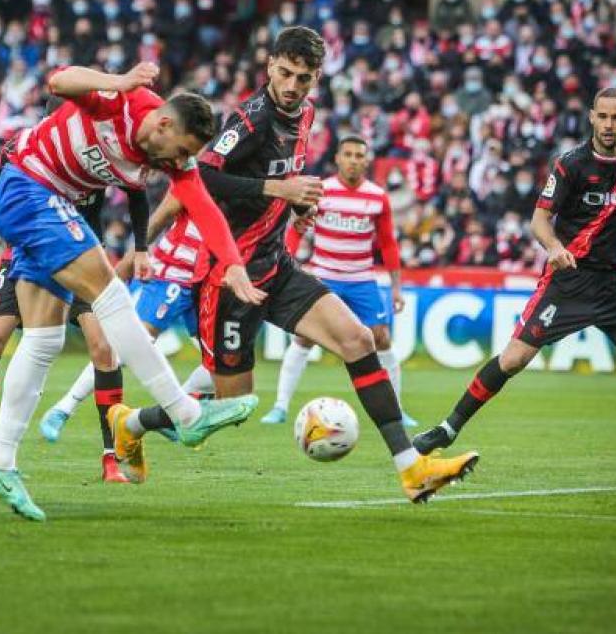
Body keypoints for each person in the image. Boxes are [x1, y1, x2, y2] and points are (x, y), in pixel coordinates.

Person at [117, 27, 479, 504]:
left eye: (303, 78)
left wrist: (296, 207)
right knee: (231, 407)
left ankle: (412, 468)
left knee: (358, 339)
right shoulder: (250, 120)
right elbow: (198, 176)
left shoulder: (305, 114)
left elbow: (278, 177)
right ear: (269, 66)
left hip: (276, 265)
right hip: (228, 279)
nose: (292, 86)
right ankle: (132, 422)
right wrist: (279, 192)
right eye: (284, 74)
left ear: (316, 78)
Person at [0, 61, 265, 521]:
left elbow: (205, 209)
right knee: (112, 294)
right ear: (163, 123)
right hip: (27, 188)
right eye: (180, 150)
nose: (178, 163)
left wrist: (234, 266)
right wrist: (119, 81)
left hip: (49, 201)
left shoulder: (173, 157)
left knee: (43, 338)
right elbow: (58, 80)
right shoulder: (120, 100)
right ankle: (185, 415)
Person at [413, 87, 616, 473]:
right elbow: (539, 220)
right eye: (604, 116)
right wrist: (554, 247)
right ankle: (448, 428)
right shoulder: (571, 164)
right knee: (513, 359)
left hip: (612, 285)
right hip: (567, 281)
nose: (610, 125)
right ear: (592, 117)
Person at [0, 138, 149, 484]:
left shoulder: (99, 149)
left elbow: (136, 190)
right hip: (27, 253)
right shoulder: (21, 147)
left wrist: (142, 247)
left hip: (84, 255)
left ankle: (110, 458)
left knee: (104, 348)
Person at [34, 190, 225, 446]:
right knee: (127, 346)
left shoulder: (258, 178)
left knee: (223, 362)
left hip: (206, 280)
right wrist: (132, 256)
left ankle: (173, 414)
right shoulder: (209, 174)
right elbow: (163, 212)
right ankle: (63, 408)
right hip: (173, 273)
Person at [262, 135, 415, 427]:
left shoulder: (377, 196)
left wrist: (396, 287)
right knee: (304, 336)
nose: (354, 160)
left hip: (361, 279)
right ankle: (280, 406)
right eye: (349, 154)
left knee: (380, 338)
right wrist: (286, 266)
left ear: (367, 161)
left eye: (360, 155)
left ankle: (397, 409)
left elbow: (388, 243)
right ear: (337, 158)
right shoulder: (321, 191)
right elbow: (296, 230)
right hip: (324, 276)